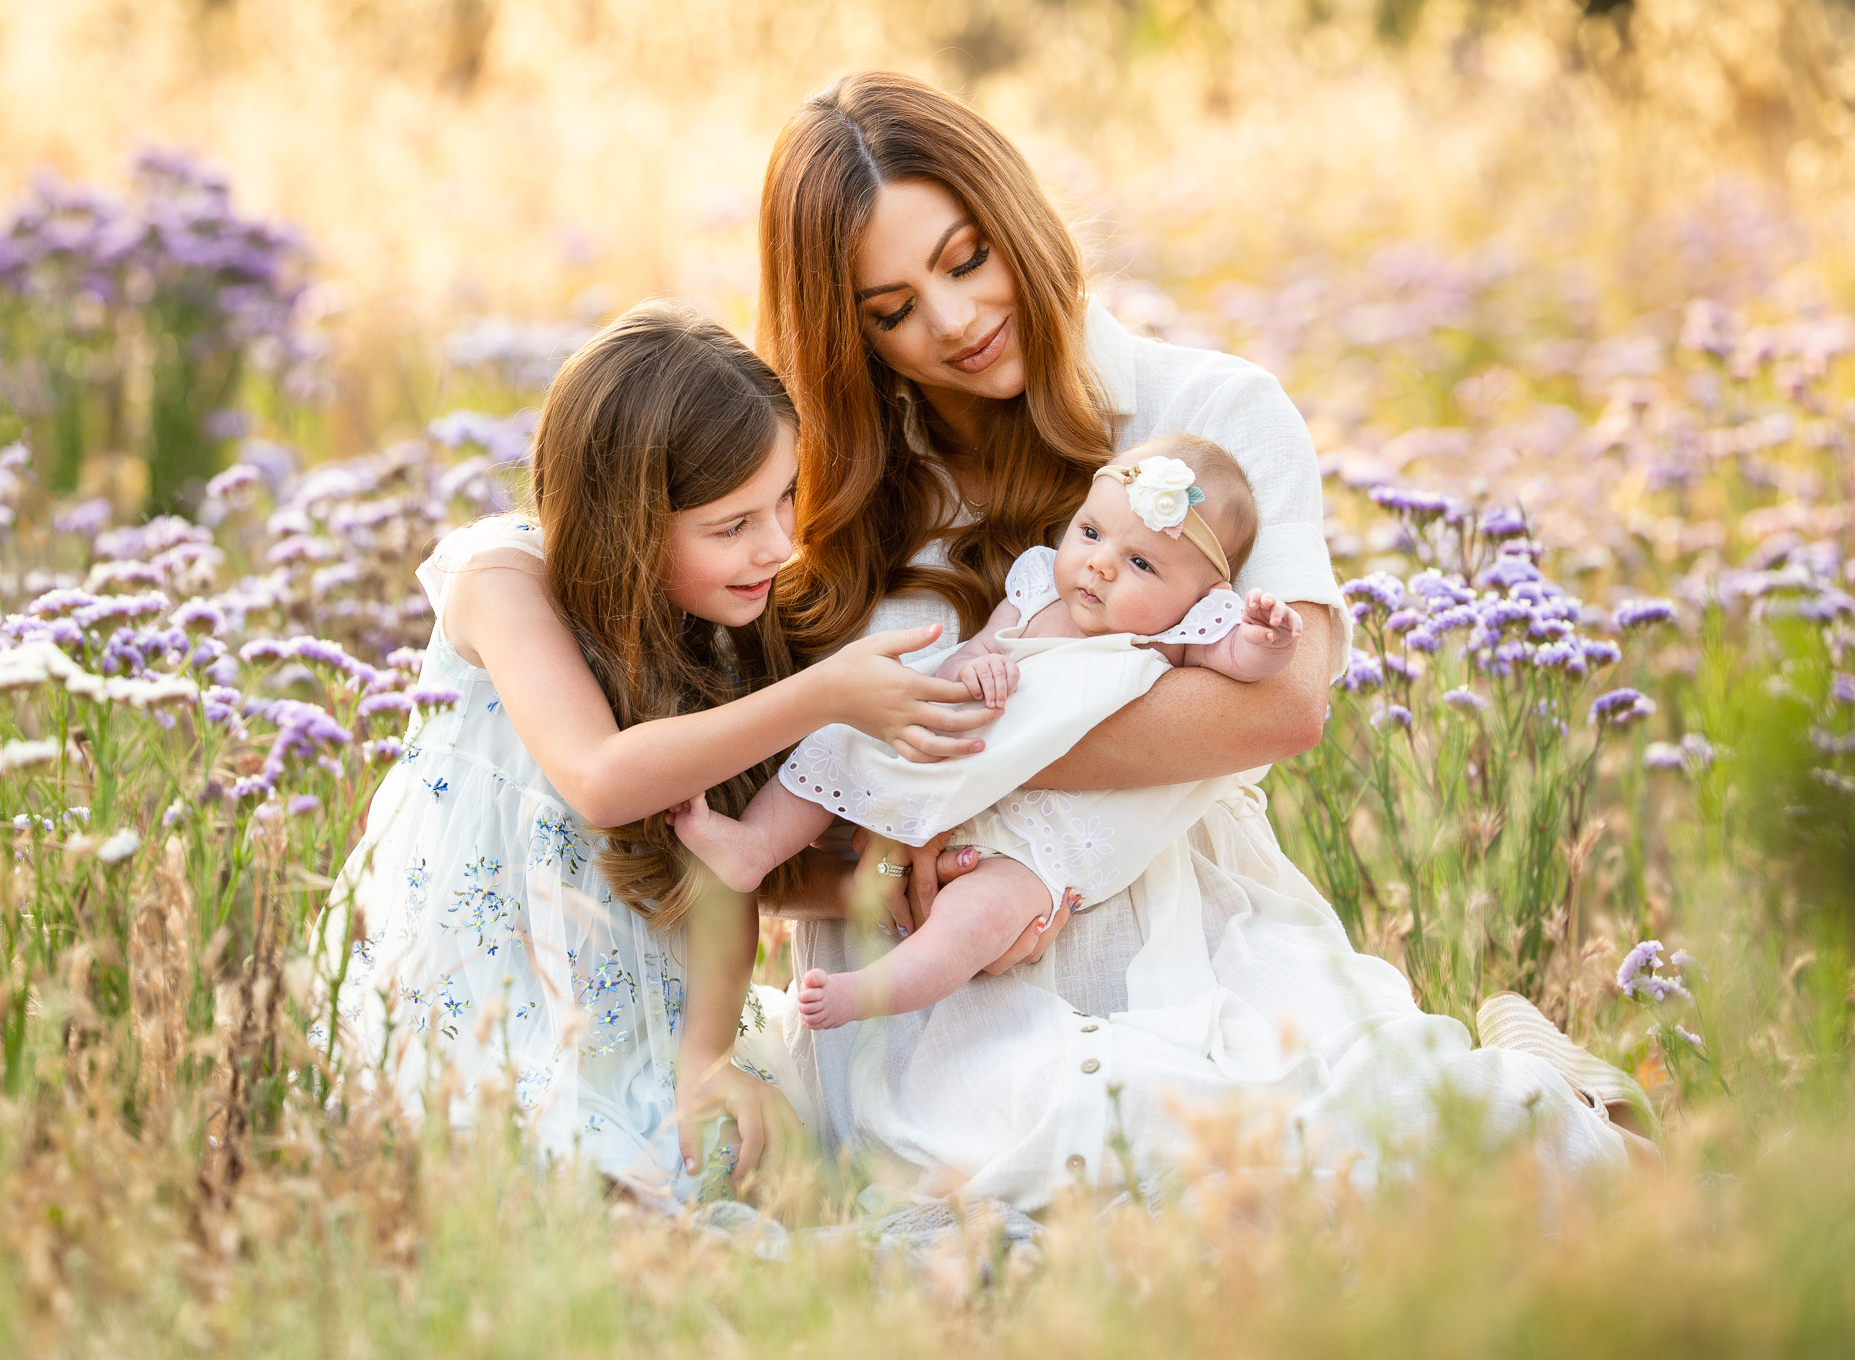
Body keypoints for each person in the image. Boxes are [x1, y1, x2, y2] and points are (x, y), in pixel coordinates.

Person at [754, 71, 1646, 1208]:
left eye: (967, 258)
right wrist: (875, 862)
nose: (954, 321)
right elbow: (765, 803)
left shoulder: (1210, 408)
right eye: (890, 311)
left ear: (1013, 220)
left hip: (1183, 913)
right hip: (925, 983)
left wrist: (918, 752)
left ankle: (1560, 1104)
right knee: (1064, 1195)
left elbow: (1277, 705)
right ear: (849, 334)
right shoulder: (823, 490)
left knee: (1349, 1167)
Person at [316, 300, 997, 1208]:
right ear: (626, 520)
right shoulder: (501, 577)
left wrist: (706, 1061)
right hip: (471, 1003)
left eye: (786, 497)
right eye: (731, 525)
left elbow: (725, 876)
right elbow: (599, 777)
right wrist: (824, 694)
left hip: (643, 1018)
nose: (778, 544)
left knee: (755, 1161)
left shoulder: (715, 628)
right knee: (528, 1177)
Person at [669, 435, 1306, 1029]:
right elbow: (971, 651)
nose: (1100, 566)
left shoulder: (1173, 636)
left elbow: (1241, 669)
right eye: (1090, 533)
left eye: (1141, 562)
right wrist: (978, 666)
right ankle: (755, 845)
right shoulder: (1035, 595)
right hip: (960, 751)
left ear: (1204, 598)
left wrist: (1265, 641)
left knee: (984, 915)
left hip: (1042, 829)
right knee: (842, 745)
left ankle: (873, 991)